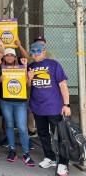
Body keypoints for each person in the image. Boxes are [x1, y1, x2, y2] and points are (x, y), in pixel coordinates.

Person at [27, 42, 70, 176]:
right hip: (37, 107)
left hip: (53, 107)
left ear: (44, 51)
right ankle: (50, 157)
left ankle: (63, 163)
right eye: (33, 52)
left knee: (60, 136)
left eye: (38, 51)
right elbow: (29, 86)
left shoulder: (53, 64)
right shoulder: (31, 66)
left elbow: (62, 84)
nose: (36, 54)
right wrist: (29, 78)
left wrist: (67, 104)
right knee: (43, 135)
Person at [0, 48, 35, 167]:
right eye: (7, 55)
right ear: (4, 57)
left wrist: (29, 77)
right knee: (10, 126)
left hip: (20, 102)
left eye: (12, 55)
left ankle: (26, 153)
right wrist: (0, 80)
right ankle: (12, 150)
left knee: (22, 127)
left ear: (15, 57)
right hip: (5, 101)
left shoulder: (22, 67)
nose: (10, 57)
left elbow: (27, 85)